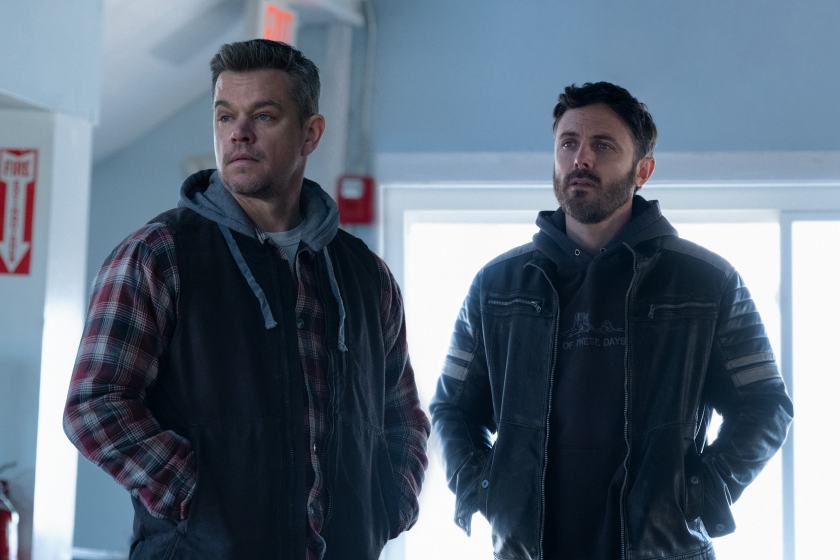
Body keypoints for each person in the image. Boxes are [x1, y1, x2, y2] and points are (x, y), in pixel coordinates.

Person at [64, 39, 429, 560]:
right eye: (225, 116)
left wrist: (391, 502)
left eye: (263, 115)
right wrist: (197, 495)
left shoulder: (366, 275)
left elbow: (402, 413)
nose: (239, 132)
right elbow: (94, 405)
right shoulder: (159, 255)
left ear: (310, 133)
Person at [430, 82, 792, 560]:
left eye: (603, 146)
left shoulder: (708, 282)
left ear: (643, 170)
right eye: (568, 143)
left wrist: (701, 494)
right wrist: (484, 488)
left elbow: (766, 405)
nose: (581, 158)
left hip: (664, 549)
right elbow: (451, 408)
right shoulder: (496, 286)